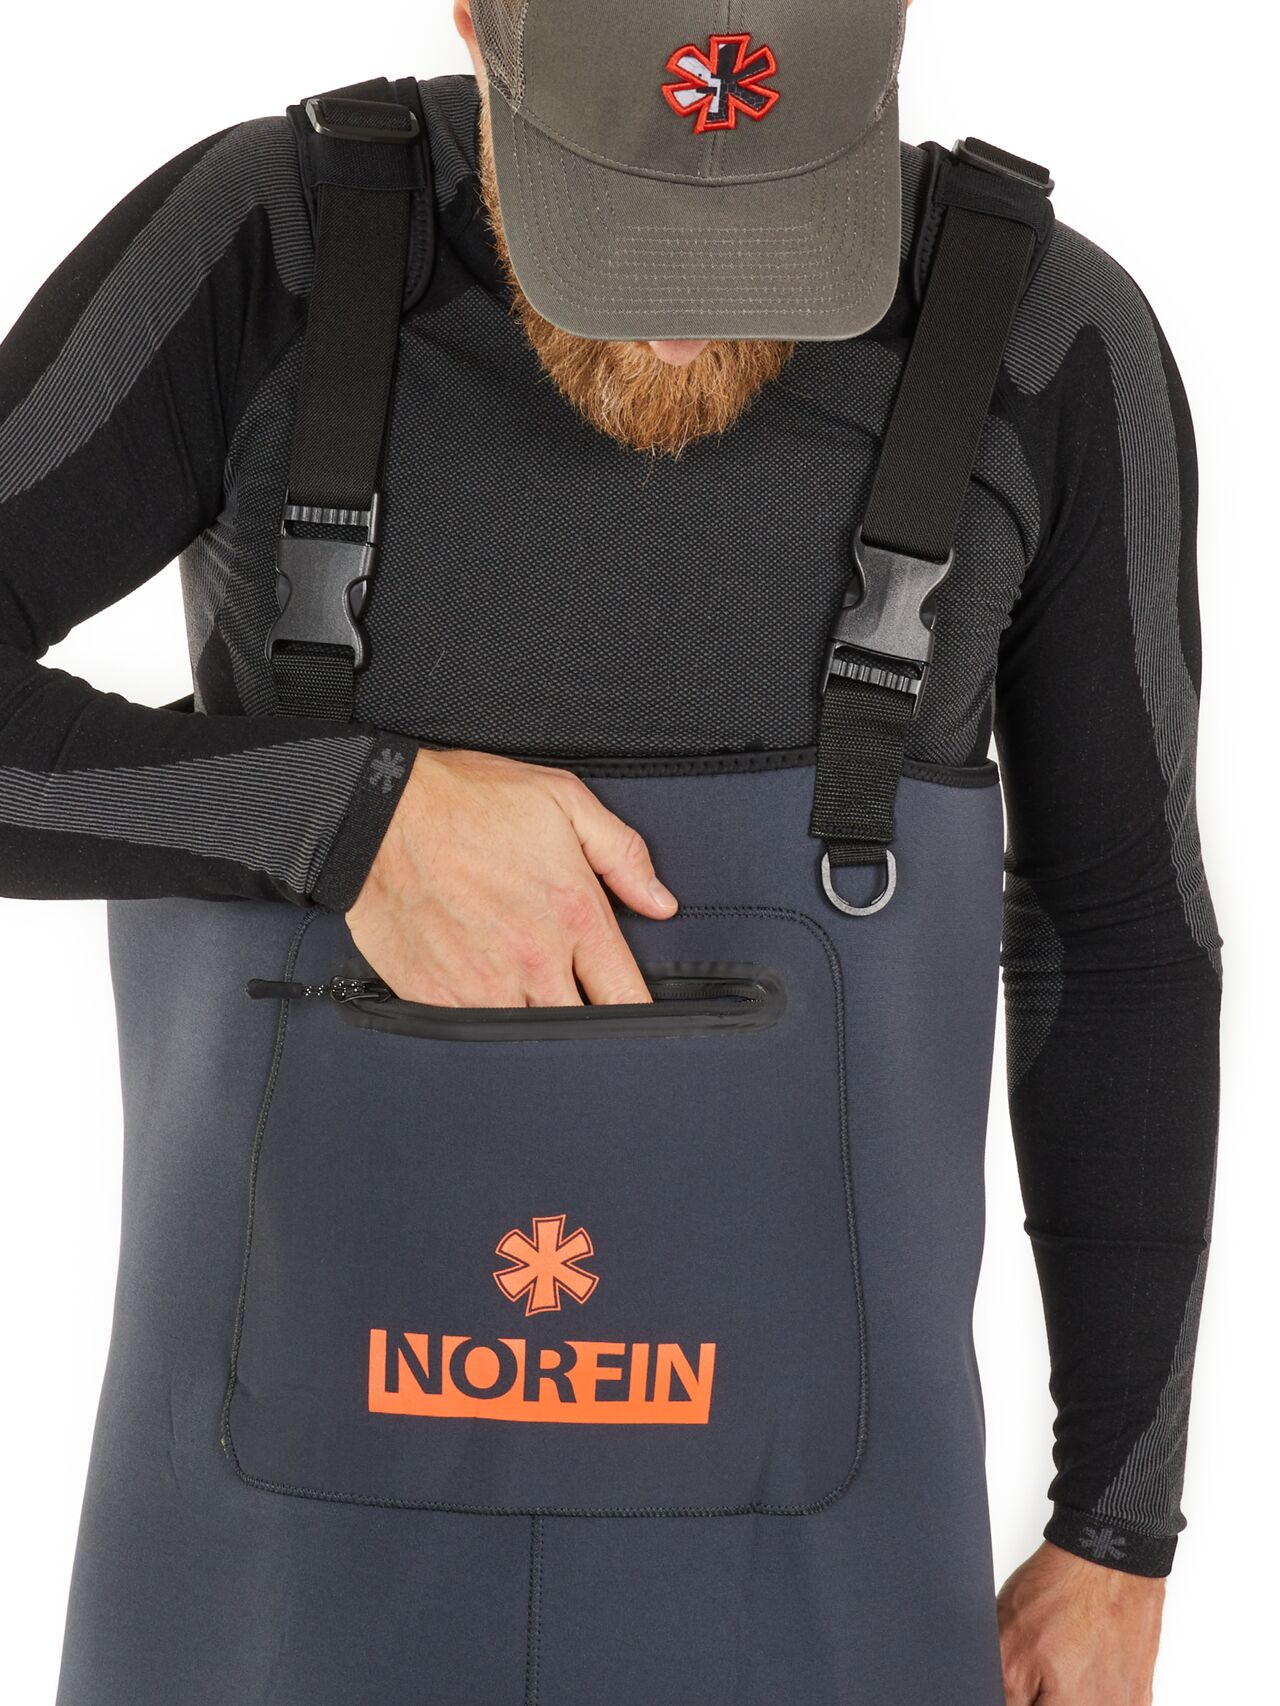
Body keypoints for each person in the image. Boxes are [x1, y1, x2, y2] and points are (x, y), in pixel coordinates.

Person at [0, 3, 1220, 1703]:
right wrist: (345, 818)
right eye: (624, 229)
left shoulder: (1044, 341)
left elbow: (1128, 935)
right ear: (480, 24)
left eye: (769, 224)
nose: (682, 323)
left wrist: (1119, 1530)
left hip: (817, 1617)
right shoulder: (268, 253)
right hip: (266, 1610)